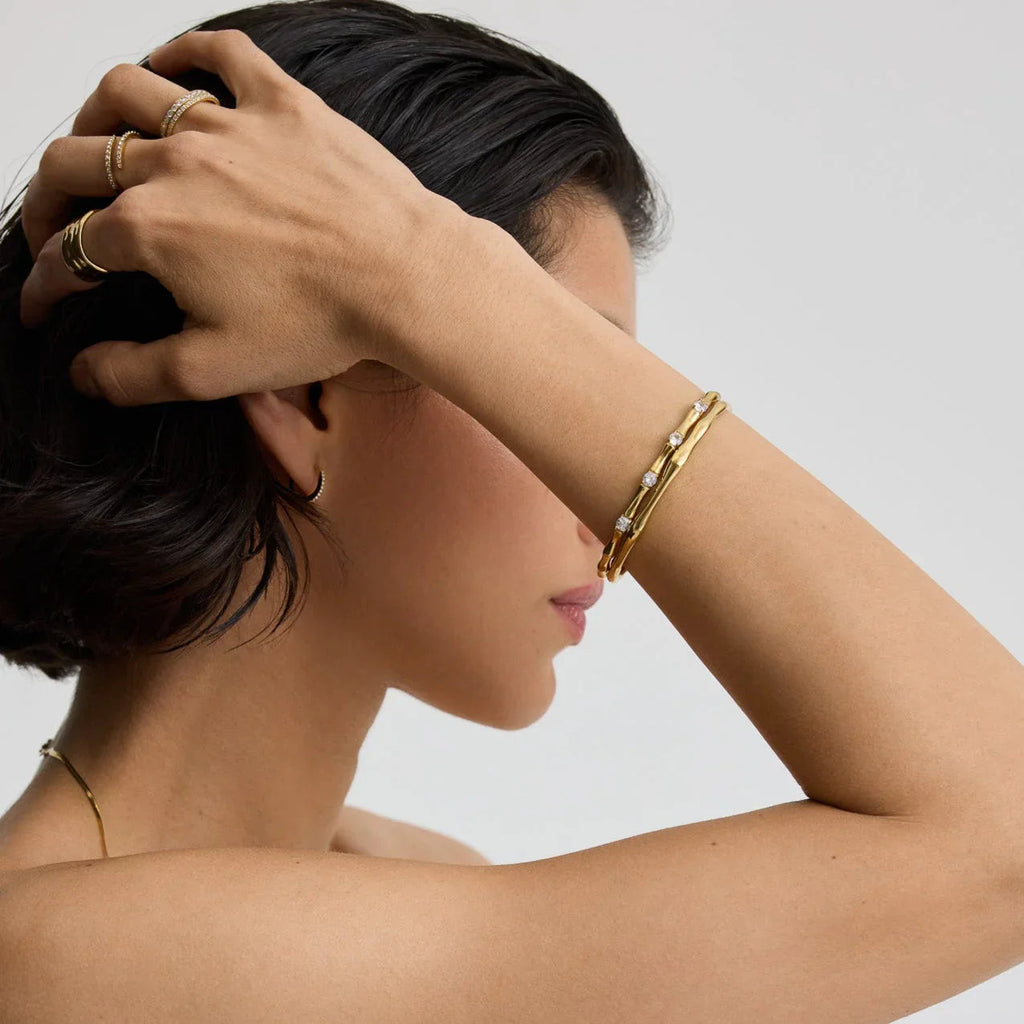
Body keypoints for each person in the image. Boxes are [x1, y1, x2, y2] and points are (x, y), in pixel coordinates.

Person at [1, 4, 1022, 1021]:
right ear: (299, 392)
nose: (606, 518)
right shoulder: (62, 963)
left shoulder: (409, 876)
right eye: (531, 373)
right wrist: (421, 268)